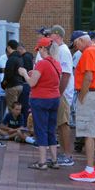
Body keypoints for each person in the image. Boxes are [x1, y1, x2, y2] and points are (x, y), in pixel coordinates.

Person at [69, 30, 95, 182]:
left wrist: (81, 96)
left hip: (90, 95)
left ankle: (89, 170)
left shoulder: (88, 52)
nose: (76, 48)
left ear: (80, 40)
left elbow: (88, 76)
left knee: (89, 133)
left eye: (76, 45)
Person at [25, 36, 62, 170]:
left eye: (39, 49)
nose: (38, 52)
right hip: (54, 98)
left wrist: (24, 73)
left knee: (40, 130)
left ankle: (42, 162)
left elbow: (31, 83)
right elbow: (49, 78)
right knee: (51, 130)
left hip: (40, 99)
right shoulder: (56, 62)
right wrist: (33, 73)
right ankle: (54, 160)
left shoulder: (42, 63)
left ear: (42, 48)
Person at [48, 25, 77, 167]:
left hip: (63, 93)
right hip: (61, 92)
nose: (49, 37)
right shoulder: (59, 50)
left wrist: (58, 93)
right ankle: (63, 153)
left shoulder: (63, 51)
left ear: (57, 35)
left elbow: (66, 74)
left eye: (51, 34)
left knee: (63, 123)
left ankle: (67, 155)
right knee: (60, 124)